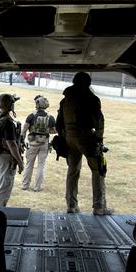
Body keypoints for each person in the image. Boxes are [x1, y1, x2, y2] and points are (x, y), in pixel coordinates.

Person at [56, 72, 113, 215]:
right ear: (88, 83)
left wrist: (66, 134)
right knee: (97, 170)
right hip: (87, 138)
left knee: (73, 171)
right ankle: (99, 207)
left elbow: (59, 123)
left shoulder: (65, 100)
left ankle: (71, 205)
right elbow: (99, 122)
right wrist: (99, 140)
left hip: (69, 138)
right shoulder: (92, 99)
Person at [0, 93, 24, 207]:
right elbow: (12, 144)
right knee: (3, 188)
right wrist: (20, 162)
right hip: (6, 158)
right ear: (10, 106)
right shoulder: (8, 122)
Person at [20, 95, 56, 191]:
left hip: (32, 143)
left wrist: (21, 141)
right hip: (44, 143)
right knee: (41, 165)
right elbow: (55, 131)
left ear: (37, 104)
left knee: (29, 164)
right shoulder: (50, 117)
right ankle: (37, 187)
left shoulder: (31, 116)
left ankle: (25, 185)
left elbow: (24, 130)